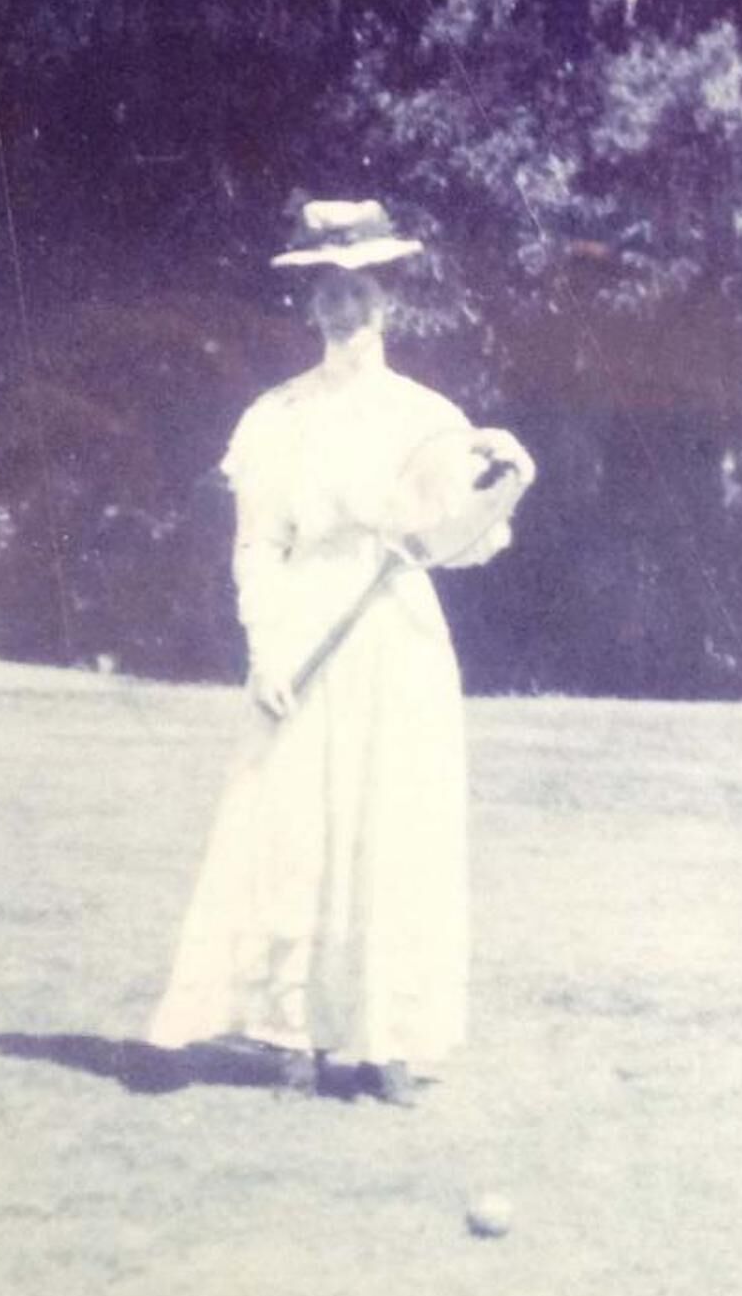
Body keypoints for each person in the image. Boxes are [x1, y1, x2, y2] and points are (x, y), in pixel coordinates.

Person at [146, 200, 533, 1102]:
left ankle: (386, 1041)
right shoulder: (276, 418)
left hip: (397, 632)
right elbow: (257, 545)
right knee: (295, 828)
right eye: (328, 292)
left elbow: (453, 544)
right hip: (307, 627)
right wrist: (266, 650)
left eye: (359, 291)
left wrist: (507, 484)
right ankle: (292, 1035)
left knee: (394, 826)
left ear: (386, 300)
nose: (344, 309)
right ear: (309, 304)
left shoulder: (431, 418)